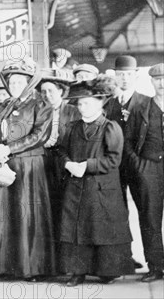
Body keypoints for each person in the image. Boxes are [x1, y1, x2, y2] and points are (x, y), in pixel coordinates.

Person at [57, 76, 135, 286]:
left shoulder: (110, 127)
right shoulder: (72, 128)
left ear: (101, 103)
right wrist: (67, 164)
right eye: (80, 104)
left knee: (101, 228)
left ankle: (107, 271)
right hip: (76, 187)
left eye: (87, 103)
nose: (82, 108)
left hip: (102, 189)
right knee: (76, 229)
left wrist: (87, 166)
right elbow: (61, 151)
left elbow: (113, 159)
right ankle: (77, 272)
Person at [0, 58, 56, 281]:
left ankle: (31, 268)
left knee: (27, 214)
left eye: (19, 82)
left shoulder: (41, 105)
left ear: (28, 83)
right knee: (4, 214)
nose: (14, 86)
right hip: (3, 164)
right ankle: (4, 267)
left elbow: (38, 136)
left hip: (28, 165)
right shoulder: (1, 106)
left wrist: (9, 148)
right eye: (11, 82)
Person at [103, 55, 150, 269]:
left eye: (128, 75)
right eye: (120, 75)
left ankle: (155, 262)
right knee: (117, 212)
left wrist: (143, 164)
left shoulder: (146, 102)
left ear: (135, 76)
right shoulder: (108, 105)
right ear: (115, 77)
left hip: (139, 167)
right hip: (114, 168)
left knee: (147, 213)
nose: (124, 79)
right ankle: (124, 258)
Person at [124, 63, 164, 282]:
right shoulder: (142, 108)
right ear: (151, 82)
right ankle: (156, 267)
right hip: (149, 167)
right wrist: (137, 164)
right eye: (158, 79)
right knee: (150, 217)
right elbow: (128, 140)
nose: (162, 83)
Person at [37, 69, 79, 242]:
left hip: (65, 162)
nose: (47, 95)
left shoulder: (73, 111)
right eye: (43, 92)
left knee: (65, 206)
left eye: (51, 91)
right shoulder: (38, 111)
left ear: (61, 91)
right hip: (43, 161)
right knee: (46, 205)